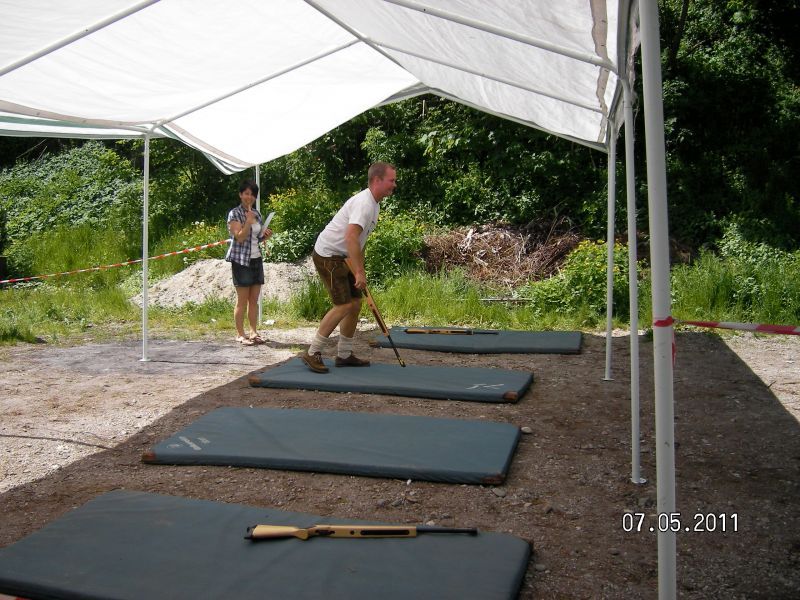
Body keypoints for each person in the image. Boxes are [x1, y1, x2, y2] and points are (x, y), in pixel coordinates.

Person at [299, 162, 397, 373]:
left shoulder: (375, 204)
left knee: (355, 304)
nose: (394, 185)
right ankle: (312, 352)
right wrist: (359, 272)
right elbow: (351, 237)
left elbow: (360, 241)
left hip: (344, 256)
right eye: (391, 180)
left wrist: (360, 268)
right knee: (343, 305)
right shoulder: (364, 204)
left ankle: (344, 354)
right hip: (329, 255)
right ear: (377, 180)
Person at [225, 179, 273, 345]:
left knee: (254, 300)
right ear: (240, 195)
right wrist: (248, 221)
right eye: (246, 193)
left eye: (252, 194)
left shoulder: (257, 214)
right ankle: (240, 334)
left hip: (256, 259)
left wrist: (265, 236)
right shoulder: (234, 214)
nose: (249, 197)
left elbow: (255, 238)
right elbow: (239, 237)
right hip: (241, 261)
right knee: (242, 300)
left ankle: (253, 332)